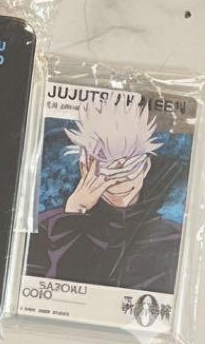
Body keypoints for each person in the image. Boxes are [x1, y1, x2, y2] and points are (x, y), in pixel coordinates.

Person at [28, 99, 183, 293]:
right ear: (84, 167)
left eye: (129, 167)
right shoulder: (46, 228)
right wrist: (73, 216)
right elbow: (49, 296)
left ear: (145, 167)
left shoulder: (174, 238)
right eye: (106, 168)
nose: (118, 181)